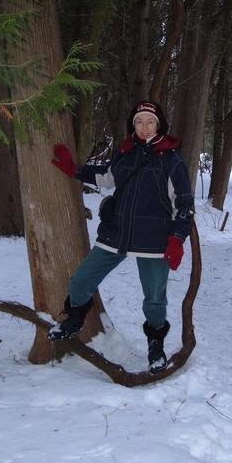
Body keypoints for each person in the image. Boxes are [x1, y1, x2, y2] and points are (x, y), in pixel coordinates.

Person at [48, 101, 194, 373]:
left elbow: (184, 204)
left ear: (159, 124)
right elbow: (106, 177)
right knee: (81, 280)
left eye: (150, 121)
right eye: (139, 121)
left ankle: (155, 344)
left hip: (154, 240)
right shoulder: (127, 153)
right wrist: (75, 170)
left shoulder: (171, 160)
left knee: (154, 299)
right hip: (118, 232)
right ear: (133, 125)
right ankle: (76, 316)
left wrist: (177, 238)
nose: (144, 126)